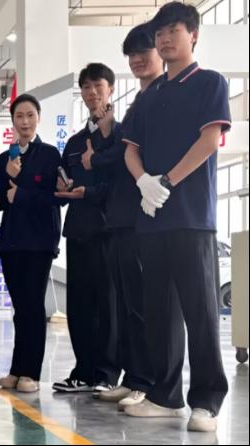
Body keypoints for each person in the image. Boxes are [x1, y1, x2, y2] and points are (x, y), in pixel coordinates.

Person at [122, 2, 230, 432]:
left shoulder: (209, 82)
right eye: (160, 33)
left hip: (191, 216)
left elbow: (210, 140)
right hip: (152, 217)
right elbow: (131, 150)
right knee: (160, 312)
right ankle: (165, 396)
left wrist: (165, 182)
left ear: (193, 35)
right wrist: (143, 181)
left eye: (174, 31)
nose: (165, 39)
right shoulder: (148, 96)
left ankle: (207, 400)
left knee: (200, 311)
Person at [93, 21, 163, 410]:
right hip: (120, 218)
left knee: (143, 305)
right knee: (125, 304)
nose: (137, 59)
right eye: (131, 54)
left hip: (143, 217)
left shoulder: (164, 98)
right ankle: (133, 376)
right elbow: (118, 153)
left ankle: (148, 381)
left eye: (143, 51)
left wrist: (101, 153)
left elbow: (124, 155)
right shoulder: (138, 101)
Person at [52, 63, 121, 395]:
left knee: (107, 305)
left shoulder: (120, 135)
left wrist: (89, 193)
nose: (92, 92)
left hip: (108, 231)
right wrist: (62, 187)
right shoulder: (75, 142)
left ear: (110, 89)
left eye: (98, 86)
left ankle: (106, 373)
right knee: (79, 305)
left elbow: (120, 183)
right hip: (78, 230)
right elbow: (66, 182)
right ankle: (83, 371)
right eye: (86, 87)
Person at [0, 94, 63, 394]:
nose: (25, 122)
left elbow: (57, 198)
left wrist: (20, 190)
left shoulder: (50, 155)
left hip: (38, 242)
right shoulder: (4, 159)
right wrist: (7, 177)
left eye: (30, 115)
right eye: (19, 116)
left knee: (34, 306)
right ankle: (16, 368)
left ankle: (31, 373)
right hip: (12, 243)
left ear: (38, 118)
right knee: (20, 308)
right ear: (12, 121)